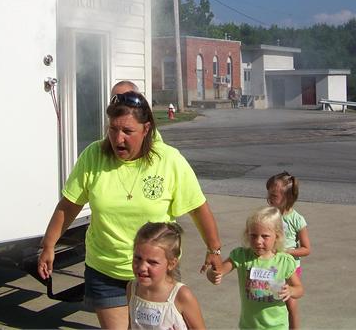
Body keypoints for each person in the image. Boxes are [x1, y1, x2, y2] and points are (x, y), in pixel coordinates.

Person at [38, 90, 222, 330]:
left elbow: (198, 208)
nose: (118, 139)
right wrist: (49, 245)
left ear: (146, 129)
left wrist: (214, 248)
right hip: (106, 271)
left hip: (156, 273)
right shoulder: (93, 156)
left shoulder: (169, 160)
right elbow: (69, 205)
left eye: (127, 131)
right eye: (113, 129)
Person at [206, 207, 303, 330]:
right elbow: (220, 271)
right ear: (247, 234)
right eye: (253, 235)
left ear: (277, 236)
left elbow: (299, 289)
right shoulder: (241, 256)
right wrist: (212, 274)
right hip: (249, 326)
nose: (258, 241)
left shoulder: (284, 261)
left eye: (265, 236)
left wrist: (291, 291)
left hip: (277, 326)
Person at [127, 222, 206, 330]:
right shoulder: (132, 289)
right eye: (138, 258)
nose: (142, 267)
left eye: (152, 262)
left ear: (171, 264)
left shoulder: (181, 295)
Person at [266, 172, 311, 329]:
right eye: (268, 194)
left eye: (273, 196)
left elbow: (306, 249)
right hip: (272, 266)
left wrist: (287, 252)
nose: (268, 199)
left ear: (288, 197)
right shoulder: (269, 216)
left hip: (290, 269)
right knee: (270, 300)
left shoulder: (297, 220)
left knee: (290, 304)